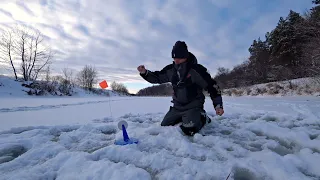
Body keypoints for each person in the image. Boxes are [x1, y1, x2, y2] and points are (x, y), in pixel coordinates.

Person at [137, 41, 224, 136]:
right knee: (164, 125)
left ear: (185, 56)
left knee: (190, 130)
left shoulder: (197, 70)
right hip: (177, 107)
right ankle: (184, 117)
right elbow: (158, 77)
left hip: (193, 106)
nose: (176, 60)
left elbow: (212, 87)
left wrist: (218, 105)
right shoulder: (170, 69)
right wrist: (145, 73)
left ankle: (203, 117)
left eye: (179, 57)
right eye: (174, 57)